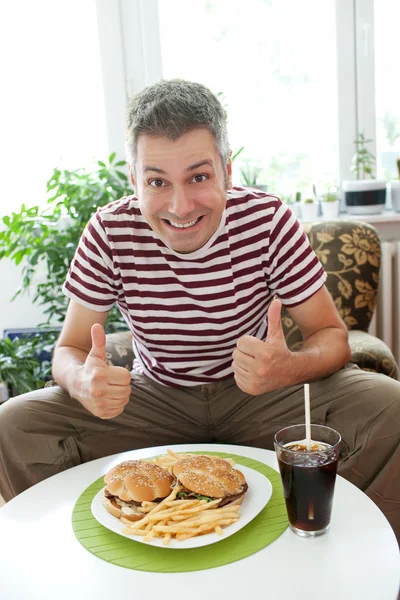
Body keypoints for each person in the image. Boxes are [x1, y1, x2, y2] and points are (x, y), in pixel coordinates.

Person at [0, 79, 399, 542]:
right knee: (14, 425)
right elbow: (67, 349)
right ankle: (86, 545)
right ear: (134, 180)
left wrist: (289, 367)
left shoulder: (268, 220)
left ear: (227, 170)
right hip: (153, 401)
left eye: (199, 176)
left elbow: (331, 336)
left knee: (390, 408)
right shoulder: (108, 230)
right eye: (157, 182)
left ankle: (363, 549)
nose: (179, 205)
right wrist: (81, 380)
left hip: (259, 397)